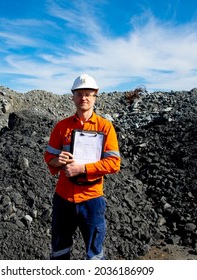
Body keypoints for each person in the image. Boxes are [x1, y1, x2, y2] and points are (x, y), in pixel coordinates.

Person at [44, 74, 121, 260]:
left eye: (88, 94)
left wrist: (82, 169)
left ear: (95, 96)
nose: (83, 98)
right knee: (60, 250)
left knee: (94, 253)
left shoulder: (105, 127)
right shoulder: (62, 127)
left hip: (92, 199)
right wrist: (58, 161)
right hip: (64, 198)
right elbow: (49, 158)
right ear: (73, 97)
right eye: (79, 94)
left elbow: (114, 163)